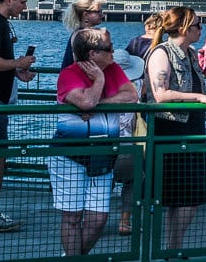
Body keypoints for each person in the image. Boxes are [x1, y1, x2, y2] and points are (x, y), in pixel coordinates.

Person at [48, 28, 138, 256]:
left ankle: (74, 257)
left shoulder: (114, 69)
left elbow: (131, 95)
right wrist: (98, 80)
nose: (113, 52)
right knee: (73, 216)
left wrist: (102, 102)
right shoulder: (68, 74)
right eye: (108, 49)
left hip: (104, 154)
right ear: (92, 54)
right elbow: (86, 101)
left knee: (98, 218)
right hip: (70, 155)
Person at [146, 7, 206, 250]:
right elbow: (160, 94)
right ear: (183, 28)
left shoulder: (190, 53)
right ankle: (171, 247)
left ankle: (173, 246)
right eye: (196, 26)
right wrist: (198, 98)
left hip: (192, 128)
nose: (200, 30)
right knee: (182, 195)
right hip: (171, 127)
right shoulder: (161, 53)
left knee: (187, 196)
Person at [0, 0, 36, 232]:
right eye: (21, 2)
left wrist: (17, 72)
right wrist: (19, 61)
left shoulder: (2, 24)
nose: (23, 7)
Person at [111, 48, 146, 237]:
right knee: (134, 179)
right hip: (129, 145)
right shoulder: (138, 85)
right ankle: (125, 221)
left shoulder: (103, 84)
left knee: (98, 180)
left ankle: (90, 218)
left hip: (105, 145)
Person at [61, 0, 106, 69]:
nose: (102, 15)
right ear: (86, 15)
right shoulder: (83, 36)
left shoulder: (78, 33)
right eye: (98, 12)